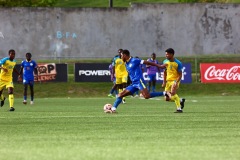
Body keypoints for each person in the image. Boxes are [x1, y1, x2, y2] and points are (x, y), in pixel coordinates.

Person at [161, 48, 185, 113]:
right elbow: (165, 72)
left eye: (167, 54)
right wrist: (164, 82)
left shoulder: (178, 63)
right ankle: (180, 100)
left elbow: (180, 74)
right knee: (167, 98)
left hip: (175, 80)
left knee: (173, 92)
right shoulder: (165, 62)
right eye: (166, 54)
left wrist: (176, 82)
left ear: (172, 54)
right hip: (168, 81)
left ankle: (179, 109)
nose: (166, 55)